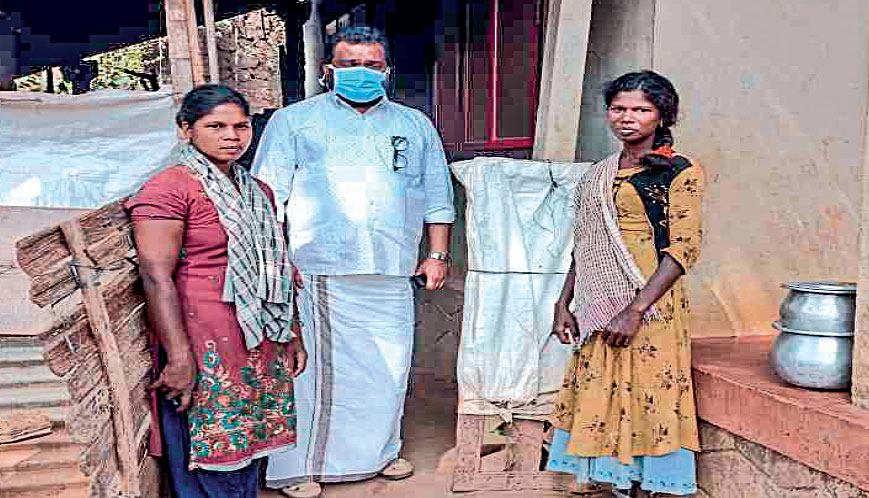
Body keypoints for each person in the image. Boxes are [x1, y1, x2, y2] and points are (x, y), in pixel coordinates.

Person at [251, 25, 455, 498]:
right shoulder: (294, 121)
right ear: (328, 72)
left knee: (388, 364)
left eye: (370, 65)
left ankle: (377, 454)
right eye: (348, 64)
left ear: (387, 71)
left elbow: (436, 195)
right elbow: (267, 198)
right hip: (320, 268)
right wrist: (280, 263)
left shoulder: (413, 124)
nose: (359, 73)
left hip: (392, 268)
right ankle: (300, 467)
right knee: (318, 373)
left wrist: (437, 254)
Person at [127, 84, 307, 498]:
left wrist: (293, 332)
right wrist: (178, 355)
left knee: (250, 442)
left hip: (259, 336)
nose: (232, 136)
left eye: (241, 126)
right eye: (216, 126)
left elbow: (276, 264)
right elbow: (156, 277)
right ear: (185, 129)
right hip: (202, 334)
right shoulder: (169, 189)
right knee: (212, 444)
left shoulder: (256, 190)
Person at [547, 71, 704, 497]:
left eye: (641, 109)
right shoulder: (597, 175)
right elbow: (585, 245)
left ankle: (651, 485)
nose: (627, 118)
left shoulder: (678, 171)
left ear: (661, 115)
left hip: (652, 306)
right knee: (604, 388)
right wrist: (564, 304)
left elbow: (684, 249)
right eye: (619, 108)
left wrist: (634, 310)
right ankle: (618, 483)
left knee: (649, 392)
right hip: (598, 304)